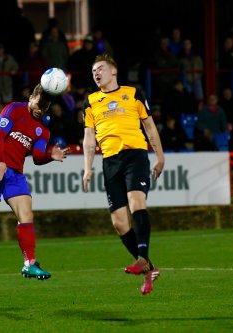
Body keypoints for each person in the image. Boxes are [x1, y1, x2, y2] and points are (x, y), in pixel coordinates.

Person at [0, 83, 69, 280]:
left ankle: (30, 263)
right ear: (31, 98)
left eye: (44, 108)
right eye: (38, 104)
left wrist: (50, 156)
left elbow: (37, 157)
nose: (40, 110)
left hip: (15, 174)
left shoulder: (43, 131)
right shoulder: (13, 109)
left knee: (26, 214)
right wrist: (0, 161)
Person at [82, 54, 165, 295]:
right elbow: (89, 138)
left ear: (113, 72)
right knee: (119, 223)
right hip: (110, 162)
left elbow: (149, 127)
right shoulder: (90, 102)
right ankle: (149, 268)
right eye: (93, 71)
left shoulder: (134, 93)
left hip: (135, 155)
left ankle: (142, 259)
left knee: (136, 201)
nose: (96, 73)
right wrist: (88, 167)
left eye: (100, 69)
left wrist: (160, 157)